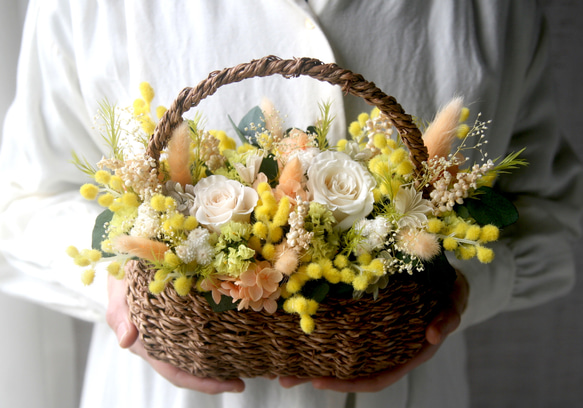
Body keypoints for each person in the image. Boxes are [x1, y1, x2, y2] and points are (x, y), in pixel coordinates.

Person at [1, 1, 581, 407]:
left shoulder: (494, 11)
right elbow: (20, 201)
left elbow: (554, 216)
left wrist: (460, 292)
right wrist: (122, 290)